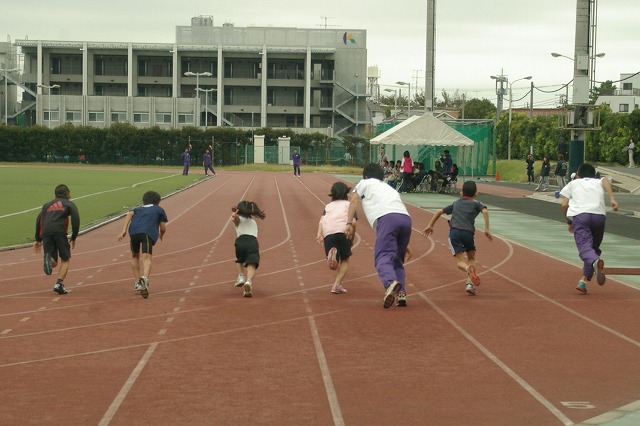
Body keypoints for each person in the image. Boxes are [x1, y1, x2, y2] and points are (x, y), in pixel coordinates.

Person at [345, 163, 413, 308]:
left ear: (365, 176)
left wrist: (349, 223)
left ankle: (390, 283)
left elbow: (354, 200)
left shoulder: (365, 183)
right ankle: (401, 293)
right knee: (397, 262)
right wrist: (405, 244)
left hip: (387, 218)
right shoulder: (389, 187)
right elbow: (397, 211)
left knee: (382, 258)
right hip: (405, 219)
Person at [422, 181, 492, 296]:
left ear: (461, 193)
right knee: (471, 257)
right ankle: (469, 283)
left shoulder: (456, 203)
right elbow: (485, 211)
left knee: (460, 261)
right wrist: (487, 228)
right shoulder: (476, 203)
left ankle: (467, 269)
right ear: (476, 193)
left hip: (454, 232)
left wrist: (430, 225)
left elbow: (440, 211)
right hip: (468, 233)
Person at [560, 163, 619, 294]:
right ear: (594, 175)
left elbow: (564, 204)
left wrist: (569, 220)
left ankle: (595, 262)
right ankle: (583, 280)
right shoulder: (598, 181)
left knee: (584, 248)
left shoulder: (573, 184)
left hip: (581, 217)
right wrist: (612, 199)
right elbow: (605, 180)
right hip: (599, 216)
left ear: (578, 175)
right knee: (593, 248)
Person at [117, 191, 168, 299]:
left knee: (135, 255)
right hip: (147, 233)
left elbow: (129, 214)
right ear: (158, 202)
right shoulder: (159, 209)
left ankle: (137, 282)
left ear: (143, 201)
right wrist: (161, 234)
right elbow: (163, 227)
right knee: (147, 257)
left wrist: (123, 230)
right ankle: (144, 278)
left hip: (134, 232)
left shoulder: (138, 208)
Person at [33, 184, 80, 295]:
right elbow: (75, 220)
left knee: (53, 262)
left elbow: (39, 219)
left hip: (46, 232)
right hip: (59, 231)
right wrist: (74, 237)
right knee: (65, 259)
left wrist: (38, 239)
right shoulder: (69, 204)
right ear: (68, 194)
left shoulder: (46, 205)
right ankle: (59, 284)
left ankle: (49, 259)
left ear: (54, 195)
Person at [316, 182, 357, 294]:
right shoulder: (349, 205)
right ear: (346, 193)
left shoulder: (327, 206)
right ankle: (336, 285)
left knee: (333, 267)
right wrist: (352, 238)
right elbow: (352, 223)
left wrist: (319, 234)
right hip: (344, 231)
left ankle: (332, 254)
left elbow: (322, 221)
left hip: (328, 232)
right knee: (345, 260)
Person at [231, 201, 266, 297]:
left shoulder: (238, 218)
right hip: (252, 242)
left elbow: (236, 220)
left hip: (240, 241)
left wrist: (235, 216)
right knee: (252, 263)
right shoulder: (254, 222)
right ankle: (249, 282)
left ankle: (241, 277)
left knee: (239, 260)